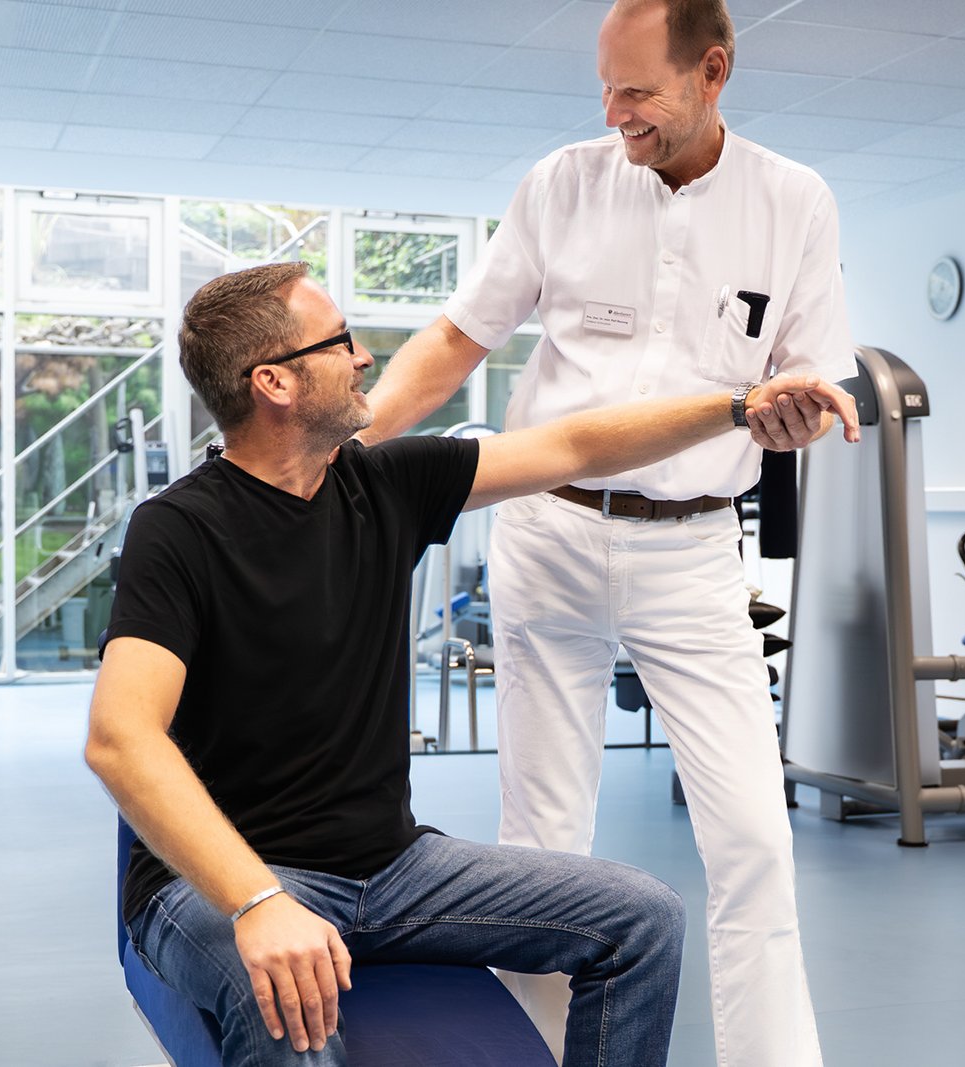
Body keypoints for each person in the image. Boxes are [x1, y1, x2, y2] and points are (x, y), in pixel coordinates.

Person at [85, 261, 853, 1067]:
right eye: (341, 342)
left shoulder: (385, 485)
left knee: (642, 918)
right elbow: (120, 738)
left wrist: (739, 407)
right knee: (284, 998)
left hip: (393, 868)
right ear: (273, 381)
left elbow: (575, 442)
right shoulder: (177, 529)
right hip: (225, 884)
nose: (364, 359)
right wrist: (258, 899)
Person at [357, 2, 859, 1064]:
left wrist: (794, 412)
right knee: (540, 838)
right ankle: (532, 1052)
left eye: (638, 90)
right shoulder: (563, 182)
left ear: (712, 71)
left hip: (692, 551)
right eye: (604, 87)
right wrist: (352, 439)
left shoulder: (793, 200)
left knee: (755, 840)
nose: (613, 111)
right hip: (549, 531)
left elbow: (814, 377)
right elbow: (459, 335)